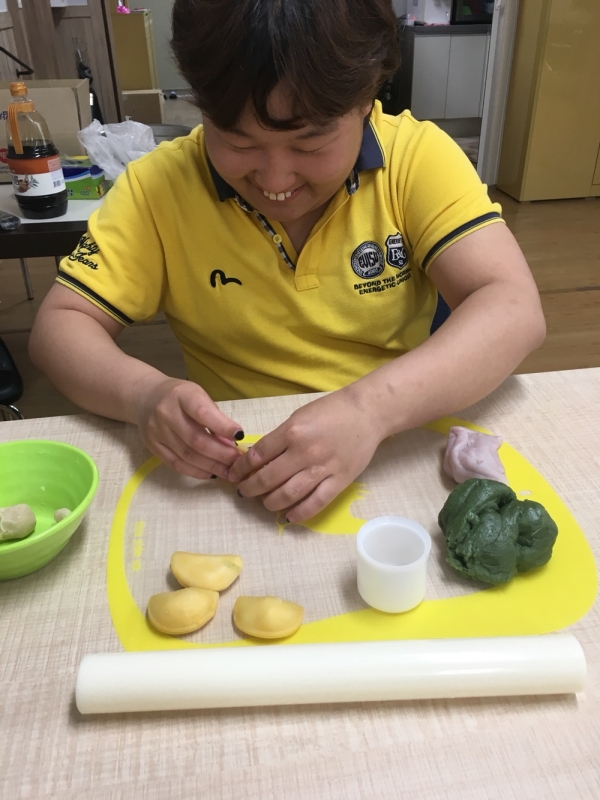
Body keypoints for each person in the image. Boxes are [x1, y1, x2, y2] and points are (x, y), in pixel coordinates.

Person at [29, 0, 545, 524]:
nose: (276, 181)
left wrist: (368, 410)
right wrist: (142, 395)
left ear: (366, 101)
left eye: (311, 143)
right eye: (238, 141)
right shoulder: (158, 189)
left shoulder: (415, 159)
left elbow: (513, 307)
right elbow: (60, 327)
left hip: (397, 441)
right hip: (239, 469)